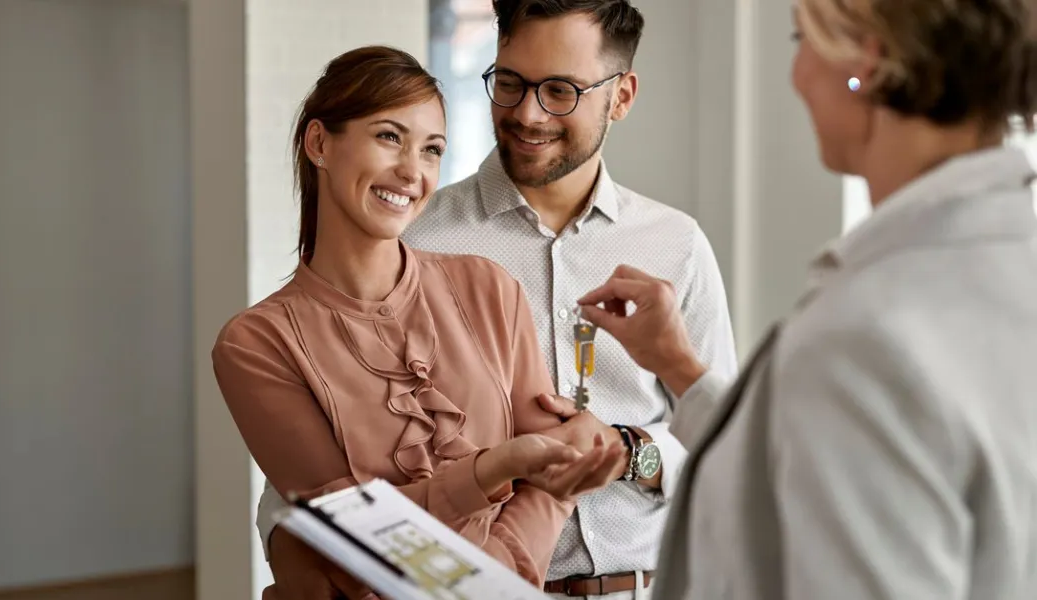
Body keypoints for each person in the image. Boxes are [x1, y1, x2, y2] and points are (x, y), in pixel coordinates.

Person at [257, 1, 739, 598]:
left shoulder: (677, 246)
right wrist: (292, 544)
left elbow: (727, 447)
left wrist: (630, 450)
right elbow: (315, 465)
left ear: (621, 95)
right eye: (509, 84)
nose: (527, 114)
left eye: (560, 90)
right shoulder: (413, 238)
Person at [575, 1, 1037, 598]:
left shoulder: (868, 334)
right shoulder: (1002, 265)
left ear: (865, 62)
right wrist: (680, 369)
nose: (797, 76)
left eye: (801, 39)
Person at [212, 45, 628, 600]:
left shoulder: (489, 288)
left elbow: (553, 480)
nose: (412, 172)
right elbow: (349, 534)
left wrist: (491, 583)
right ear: (319, 144)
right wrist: (493, 469)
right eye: (389, 137)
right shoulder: (257, 344)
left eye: (432, 150)